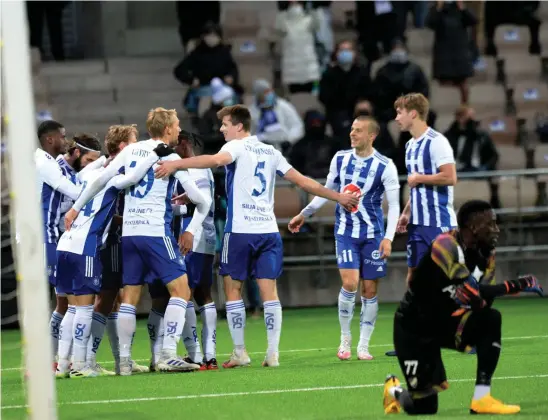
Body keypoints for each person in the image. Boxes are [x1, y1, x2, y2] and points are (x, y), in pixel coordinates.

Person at [154, 104, 359, 367]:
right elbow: (303, 182)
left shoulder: (237, 147)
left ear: (239, 126)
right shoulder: (271, 151)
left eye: (225, 124)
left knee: (233, 289)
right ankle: (272, 353)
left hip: (240, 231)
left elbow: (216, 160)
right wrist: (338, 196)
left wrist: (177, 164)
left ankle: (240, 352)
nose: (221, 129)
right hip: (268, 231)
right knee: (269, 292)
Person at [65, 108, 212, 374]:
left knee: (129, 296)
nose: (179, 130)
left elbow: (102, 179)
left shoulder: (131, 151)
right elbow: (203, 199)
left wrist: (75, 208)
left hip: (129, 235)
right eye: (177, 125)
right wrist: (191, 228)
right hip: (155, 232)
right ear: (167, 129)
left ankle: (123, 361)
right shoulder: (170, 156)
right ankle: (167, 354)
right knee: (181, 291)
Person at [383, 200, 544, 415]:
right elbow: (475, 291)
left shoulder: (487, 254)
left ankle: (482, 398)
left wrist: (477, 300)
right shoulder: (445, 244)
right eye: (492, 224)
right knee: (425, 407)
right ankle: (393, 389)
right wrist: (518, 285)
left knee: (490, 318)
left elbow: (482, 301)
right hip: (414, 328)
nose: (497, 229)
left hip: (445, 322)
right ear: (474, 227)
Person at [56, 130, 172, 378]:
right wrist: (154, 154)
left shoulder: (86, 173)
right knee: (85, 309)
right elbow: (134, 175)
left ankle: (63, 365)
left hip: (65, 244)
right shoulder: (113, 179)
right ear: (123, 149)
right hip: (85, 246)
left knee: (73, 308)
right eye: (132, 145)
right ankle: (80, 365)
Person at [288, 116, 400, 360]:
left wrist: (388, 238)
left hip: (372, 235)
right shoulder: (340, 158)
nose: (352, 134)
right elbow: (326, 191)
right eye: (351, 129)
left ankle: (364, 345)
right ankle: (345, 339)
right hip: (346, 232)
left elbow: (393, 205)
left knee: (369, 290)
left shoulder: (385, 165)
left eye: (358, 131)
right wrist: (304, 214)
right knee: (350, 283)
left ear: (372, 136)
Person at [386, 93, 458, 358]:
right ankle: (412, 337)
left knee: (451, 278)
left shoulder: (437, 142)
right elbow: (415, 187)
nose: (397, 118)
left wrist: (420, 178)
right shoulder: (410, 146)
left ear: (413, 113)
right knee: (414, 278)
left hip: (439, 223)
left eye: (400, 112)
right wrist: (406, 212)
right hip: (418, 224)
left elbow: (450, 178)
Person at [35, 120, 81, 369]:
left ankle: (54, 359)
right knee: (67, 299)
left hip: (52, 237)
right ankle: (46, 360)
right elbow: (70, 190)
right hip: (46, 237)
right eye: (62, 137)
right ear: (50, 139)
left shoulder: (47, 162)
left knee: (62, 301)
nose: (66, 142)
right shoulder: (43, 163)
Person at [171, 130, 219, 370]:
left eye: (174, 145)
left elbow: (203, 201)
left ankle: (198, 355)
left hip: (193, 236)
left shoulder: (195, 169)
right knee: (203, 294)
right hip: (207, 237)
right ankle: (208, 355)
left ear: (185, 144)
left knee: (185, 292)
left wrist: (187, 228)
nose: (172, 150)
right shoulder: (205, 169)